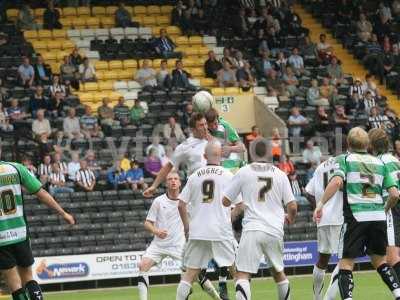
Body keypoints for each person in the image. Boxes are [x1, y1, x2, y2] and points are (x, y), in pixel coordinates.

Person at [313, 127, 400, 300]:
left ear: (348, 143)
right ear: (367, 144)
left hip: (356, 216)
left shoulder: (345, 159)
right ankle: (398, 294)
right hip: (378, 217)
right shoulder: (380, 163)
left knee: (346, 262)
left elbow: (337, 182)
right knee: (380, 262)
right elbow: (394, 194)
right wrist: (384, 210)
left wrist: (321, 204)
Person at [223, 140, 297, 300]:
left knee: (242, 274)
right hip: (274, 229)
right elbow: (292, 206)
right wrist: (289, 218)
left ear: (251, 153)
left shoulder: (244, 172)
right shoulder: (280, 174)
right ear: (269, 153)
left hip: (253, 228)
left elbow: (225, 201)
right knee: (279, 274)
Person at [0, 160, 74, 300]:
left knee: (14, 284)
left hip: (1, 238)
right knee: (28, 277)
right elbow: (42, 193)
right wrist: (63, 213)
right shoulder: (16, 169)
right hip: (20, 232)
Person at [139, 171, 218, 300]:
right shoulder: (158, 201)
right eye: (170, 179)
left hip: (179, 246)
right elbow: (147, 223)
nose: (173, 181)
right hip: (159, 245)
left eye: (176, 179)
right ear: (166, 183)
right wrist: (156, 231)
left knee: (196, 275)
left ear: (180, 183)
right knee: (143, 265)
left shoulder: (187, 203)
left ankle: (217, 297)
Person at [177, 141, 237, 300]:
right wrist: (228, 219)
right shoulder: (228, 175)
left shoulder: (194, 176)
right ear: (221, 155)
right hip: (220, 230)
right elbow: (241, 205)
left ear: (204, 156)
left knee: (189, 275)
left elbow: (181, 205)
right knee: (238, 272)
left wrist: (186, 227)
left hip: (198, 231)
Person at [306, 157, 343, 300]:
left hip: (323, 218)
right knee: (345, 260)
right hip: (341, 216)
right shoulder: (346, 161)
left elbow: (308, 192)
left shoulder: (321, 166)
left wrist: (319, 207)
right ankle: (328, 298)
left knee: (322, 261)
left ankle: (317, 297)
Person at [369, 129, 400, 282]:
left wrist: (385, 209)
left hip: (392, 207)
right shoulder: (395, 159)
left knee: (391, 257)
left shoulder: (378, 162)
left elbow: (390, 192)